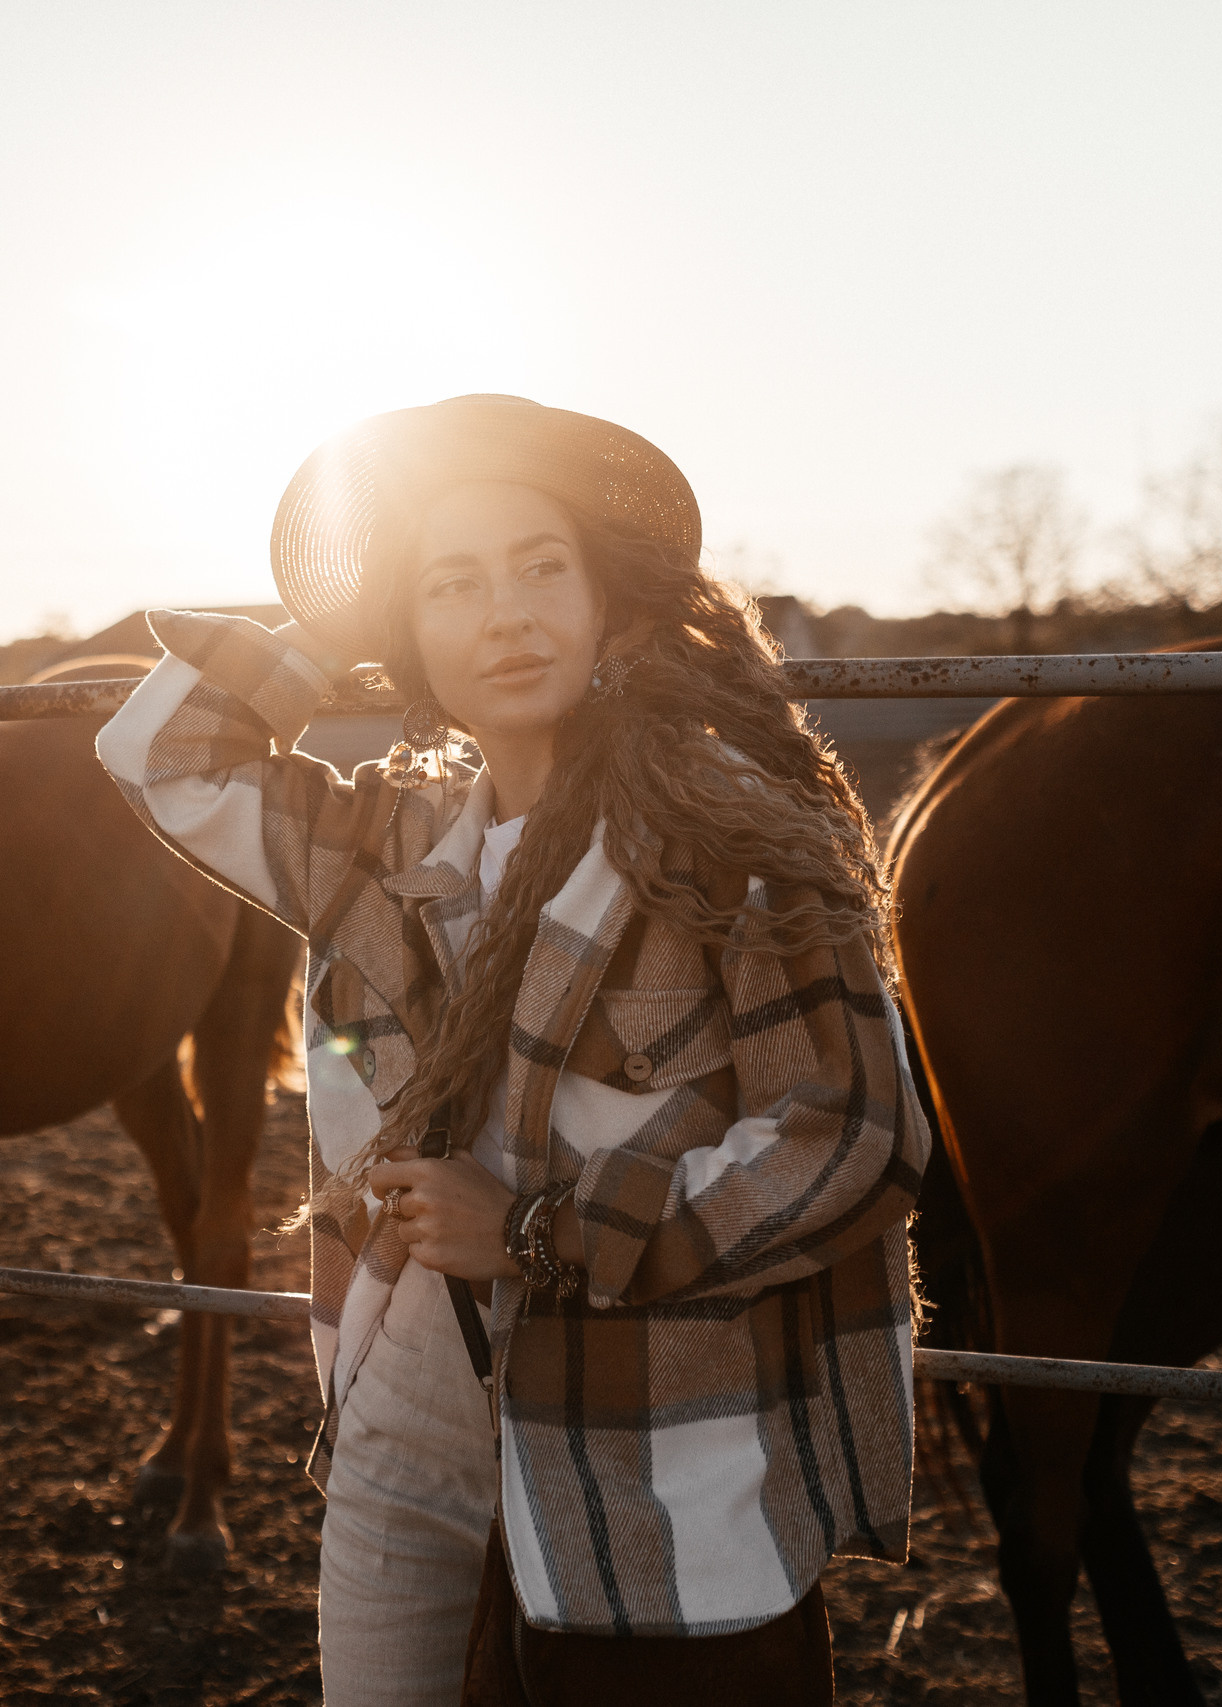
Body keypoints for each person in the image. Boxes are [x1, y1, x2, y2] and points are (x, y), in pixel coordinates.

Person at [97, 395, 928, 1705]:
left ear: (614, 603)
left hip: (644, 1447)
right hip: (407, 1411)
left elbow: (856, 1140)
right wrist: (335, 628)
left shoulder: (738, 849)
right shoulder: (394, 849)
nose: (508, 612)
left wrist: (542, 1231)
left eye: (546, 567)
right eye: (454, 585)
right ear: (414, 643)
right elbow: (166, 756)